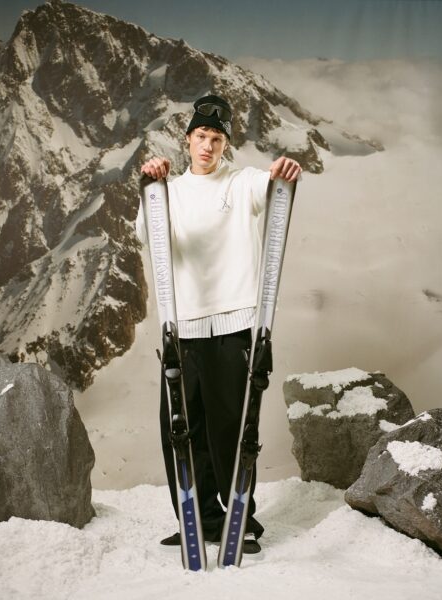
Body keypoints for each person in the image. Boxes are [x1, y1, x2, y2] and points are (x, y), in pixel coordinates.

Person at [136, 94, 301, 554]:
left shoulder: (241, 183)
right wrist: (150, 187)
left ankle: (240, 521)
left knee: (230, 429)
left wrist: (283, 172)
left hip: (233, 327)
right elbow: (147, 234)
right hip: (183, 329)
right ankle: (201, 519)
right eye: (201, 137)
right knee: (182, 432)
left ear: (226, 144)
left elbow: (271, 185)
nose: (208, 146)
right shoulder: (170, 191)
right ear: (187, 139)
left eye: (217, 139)